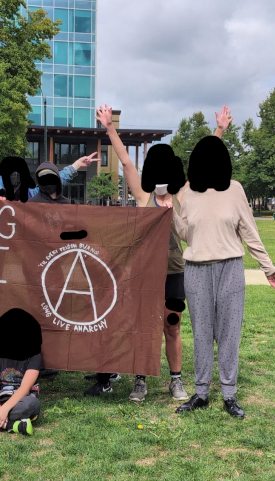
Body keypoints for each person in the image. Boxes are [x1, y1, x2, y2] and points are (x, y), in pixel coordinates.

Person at [82, 105, 233, 401]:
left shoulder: (183, 195)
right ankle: (140, 381)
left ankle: (176, 381)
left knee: (171, 327)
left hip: (175, 273)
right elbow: (125, 161)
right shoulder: (142, 195)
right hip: (144, 274)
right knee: (143, 328)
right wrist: (109, 127)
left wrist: (219, 131)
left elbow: (203, 162)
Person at [172, 133, 275, 419]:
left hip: (230, 268)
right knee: (201, 334)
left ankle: (229, 394)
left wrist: (267, 266)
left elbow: (249, 230)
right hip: (196, 271)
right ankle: (201, 393)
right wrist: (172, 213)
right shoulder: (189, 195)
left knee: (229, 334)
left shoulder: (235, 190)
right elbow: (186, 235)